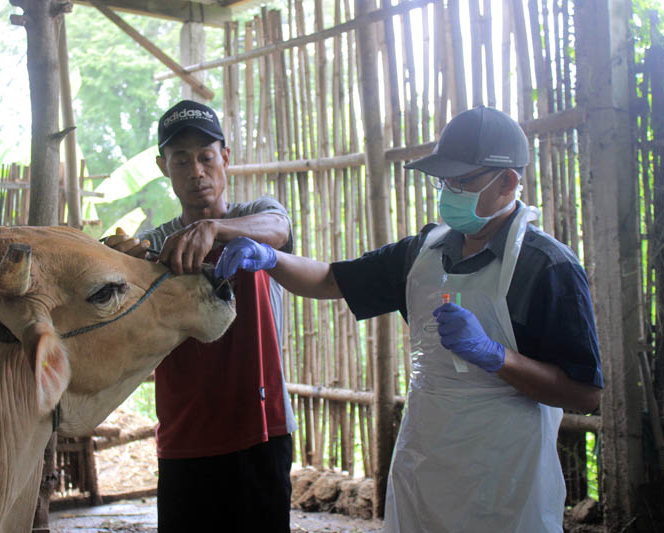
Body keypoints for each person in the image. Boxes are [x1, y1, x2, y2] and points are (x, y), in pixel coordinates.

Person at [215, 105, 603, 532]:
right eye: (445, 180)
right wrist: (271, 258)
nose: (450, 190)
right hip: (426, 466)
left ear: (508, 181)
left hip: (506, 479)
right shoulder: (424, 252)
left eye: (463, 180)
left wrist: (497, 357)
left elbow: (585, 394)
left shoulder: (548, 268)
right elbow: (330, 279)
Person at [104, 100, 296, 533]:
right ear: (162, 167)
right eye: (181, 160)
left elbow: (279, 229)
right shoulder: (155, 244)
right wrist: (117, 260)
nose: (197, 171)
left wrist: (216, 229)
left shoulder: (255, 217)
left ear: (225, 158)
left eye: (206, 157)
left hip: (262, 430)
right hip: (184, 436)